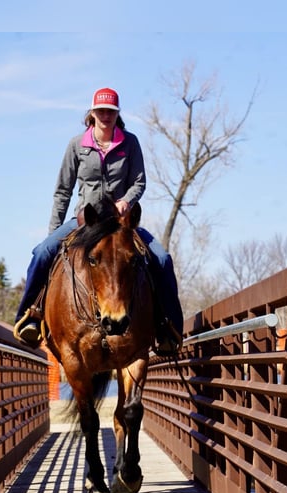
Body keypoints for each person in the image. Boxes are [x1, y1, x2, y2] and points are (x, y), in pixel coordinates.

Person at [13, 87, 183, 355]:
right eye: (101, 111)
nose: (105, 115)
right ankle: (30, 317)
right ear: (92, 113)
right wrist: (54, 232)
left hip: (120, 222)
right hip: (86, 222)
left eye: (111, 111)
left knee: (161, 259)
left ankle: (168, 327)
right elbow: (63, 191)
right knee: (42, 252)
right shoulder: (76, 145)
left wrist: (127, 200)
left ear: (117, 114)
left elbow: (139, 181)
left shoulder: (130, 143)